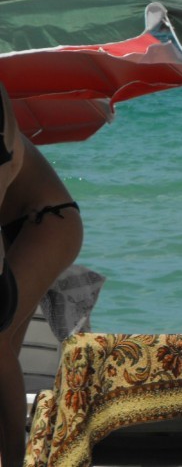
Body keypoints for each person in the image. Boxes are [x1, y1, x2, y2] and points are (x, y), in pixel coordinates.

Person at [0, 84, 83, 467]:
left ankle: (14, 459)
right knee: (5, 348)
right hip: (20, 225)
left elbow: (6, 171)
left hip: (48, 221)